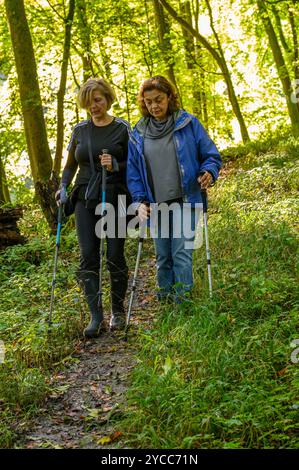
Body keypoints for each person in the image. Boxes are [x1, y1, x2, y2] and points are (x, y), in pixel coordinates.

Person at [127, 75, 222, 303]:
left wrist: (208, 171)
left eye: (159, 99)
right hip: (155, 203)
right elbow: (133, 172)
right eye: (149, 102)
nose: (154, 106)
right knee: (163, 256)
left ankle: (183, 305)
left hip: (186, 198)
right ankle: (166, 302)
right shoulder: (138, 133)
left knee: (181, 254)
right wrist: (139, 200)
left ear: (170, 97)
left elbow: (210, 155)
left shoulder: (188, 124)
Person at [55, 78, 130, 337]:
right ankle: (95, 315)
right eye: (88, 102)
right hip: (84, 197)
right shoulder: (79, 130)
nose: (93, 106)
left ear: (108, 99)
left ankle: (117, 312)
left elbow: (136, 165)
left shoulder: (122, 128)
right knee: (88, 254)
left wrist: (115, 165)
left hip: (115, 195)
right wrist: (63, 187)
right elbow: (69, 166)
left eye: (97, 100)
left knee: (115, 254)